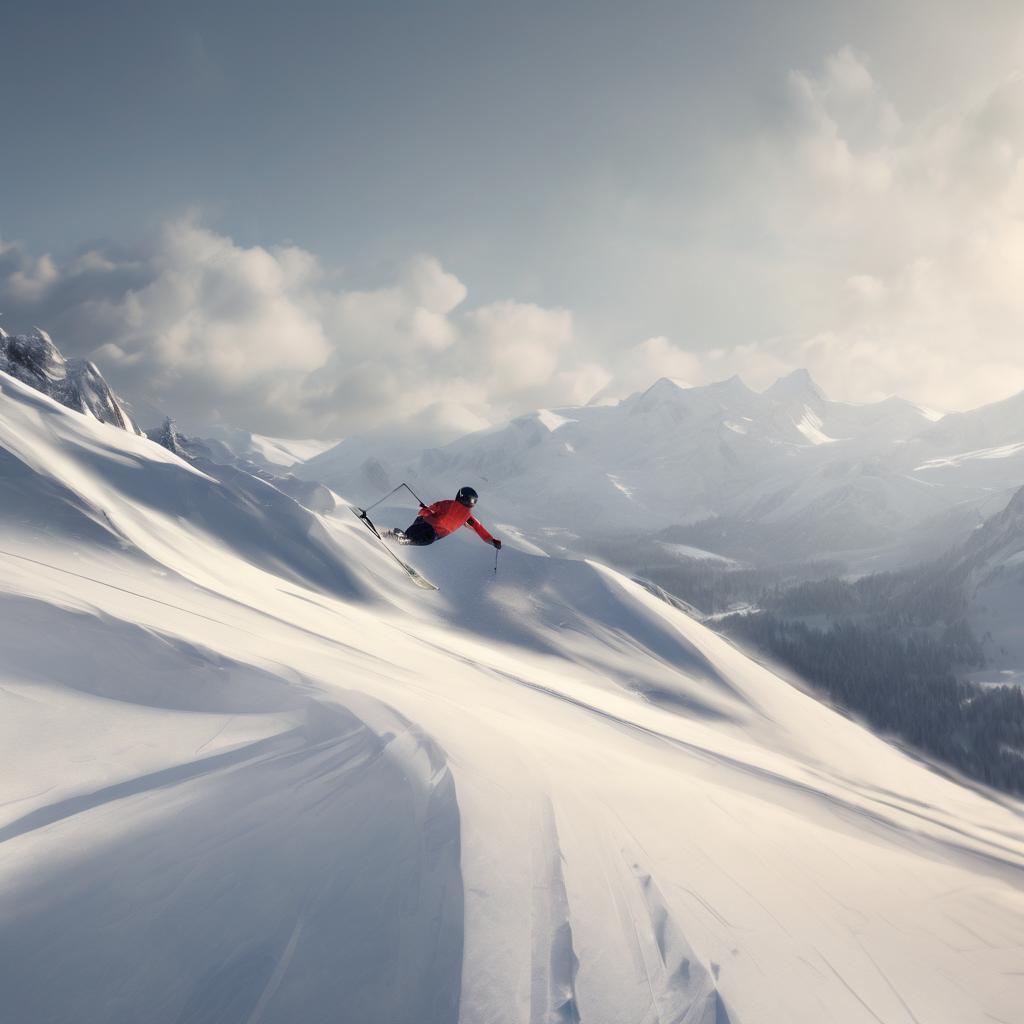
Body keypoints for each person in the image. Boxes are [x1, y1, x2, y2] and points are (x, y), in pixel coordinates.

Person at [384, 486, 502, 549]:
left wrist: (425, 510)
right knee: (409, 540)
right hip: (431, 538)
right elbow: (479, 529)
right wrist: (492, 541)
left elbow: (424, 512)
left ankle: (392, 537)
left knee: (407, 537)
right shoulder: (469, 518)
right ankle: (397, 538)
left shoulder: (448, 503)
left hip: (424, 526)